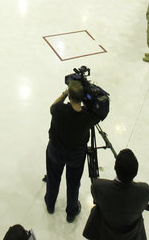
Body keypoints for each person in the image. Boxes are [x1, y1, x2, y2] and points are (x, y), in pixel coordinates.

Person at [44, 80, 100, 223]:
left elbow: (53, 105)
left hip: (55, 151)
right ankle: (71, 211)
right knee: (74, 183)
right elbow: (99, 113)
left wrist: (65, 93)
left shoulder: (58, 110)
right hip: (76, 155)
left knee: (53, 178)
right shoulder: (87, 117)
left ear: (69, 96)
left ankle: (50, 204)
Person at [82, 149, 149, 240]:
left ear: (115, 167)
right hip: (132, 235)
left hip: (103, 232)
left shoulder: (99, 187)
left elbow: (97, 200)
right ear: (136, 171)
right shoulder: (145, 191)